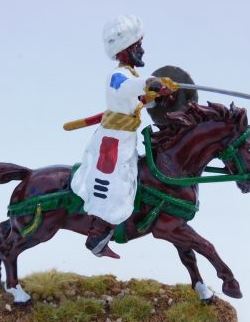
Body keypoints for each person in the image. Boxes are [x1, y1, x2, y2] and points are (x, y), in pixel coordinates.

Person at [70, 15, 174, 258]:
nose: (142, 50)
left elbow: (140, 99)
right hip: (112, 142)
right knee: (112, 184)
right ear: (125, 50)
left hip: (126, 139)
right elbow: (126, 87)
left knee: (130, 179)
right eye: (138, 46)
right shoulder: (118, 76)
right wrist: (152, 83)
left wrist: (158, 95)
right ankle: (96, 236)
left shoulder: (133, 76)